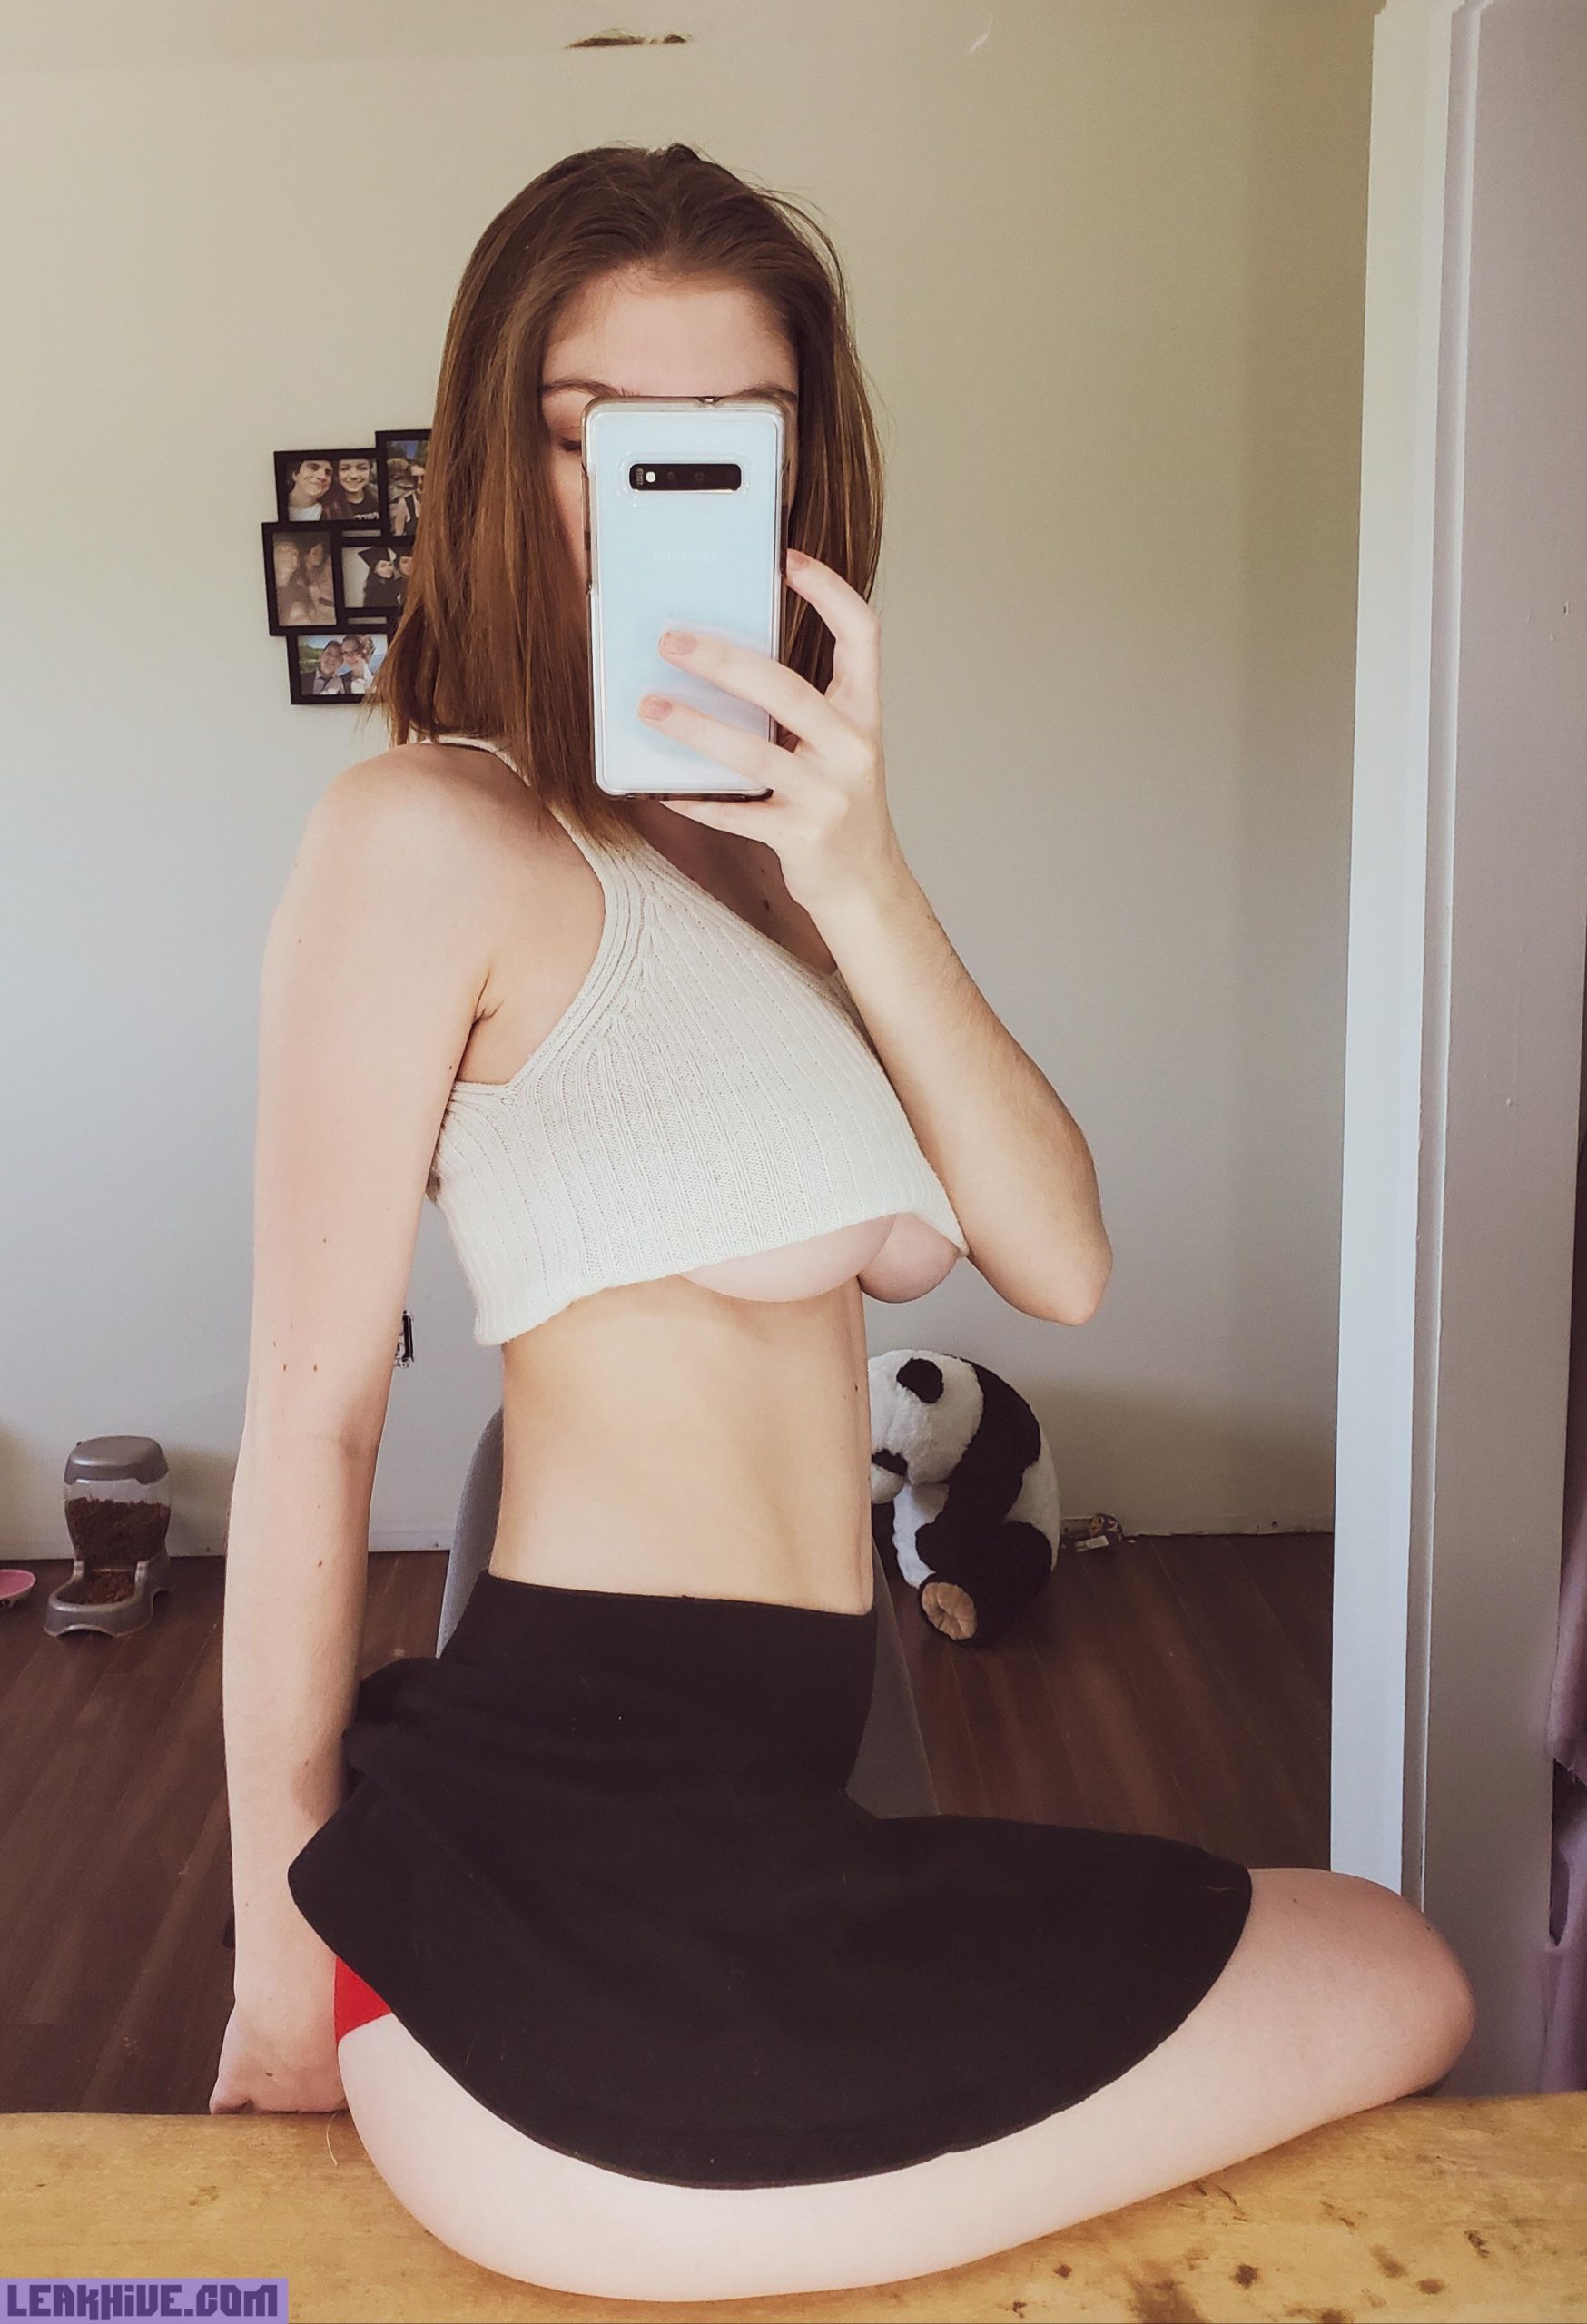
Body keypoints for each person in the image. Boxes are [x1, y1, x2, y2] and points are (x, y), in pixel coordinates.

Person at [212, 143, 1476, 2303]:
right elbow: (313, 1416)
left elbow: (1056, 1255)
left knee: (1383, 1963)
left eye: (731, 439)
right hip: (578, 1831)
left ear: (801, 476)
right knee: (1396, 1975)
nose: (658, 493)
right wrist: (271, 1979)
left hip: (767, 1804)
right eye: (597, 437)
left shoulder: (787, 874)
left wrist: (862, 863)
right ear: (504, 462)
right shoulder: (426, 829)